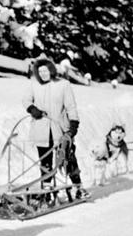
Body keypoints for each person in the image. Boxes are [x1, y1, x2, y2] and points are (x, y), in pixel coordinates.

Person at [22, 56, 89, 201]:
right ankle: (47, 192)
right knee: (45, 163)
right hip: (41, 130)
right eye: (40, 71)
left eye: (45, 71)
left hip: (61, 130)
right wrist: (33, 109)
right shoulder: (34, 85)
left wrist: (73, 126)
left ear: (51, 70)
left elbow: (71, 107)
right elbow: (26, 100)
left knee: (68, 159)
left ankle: (79, 188)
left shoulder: (63, 84)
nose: (43, 74)